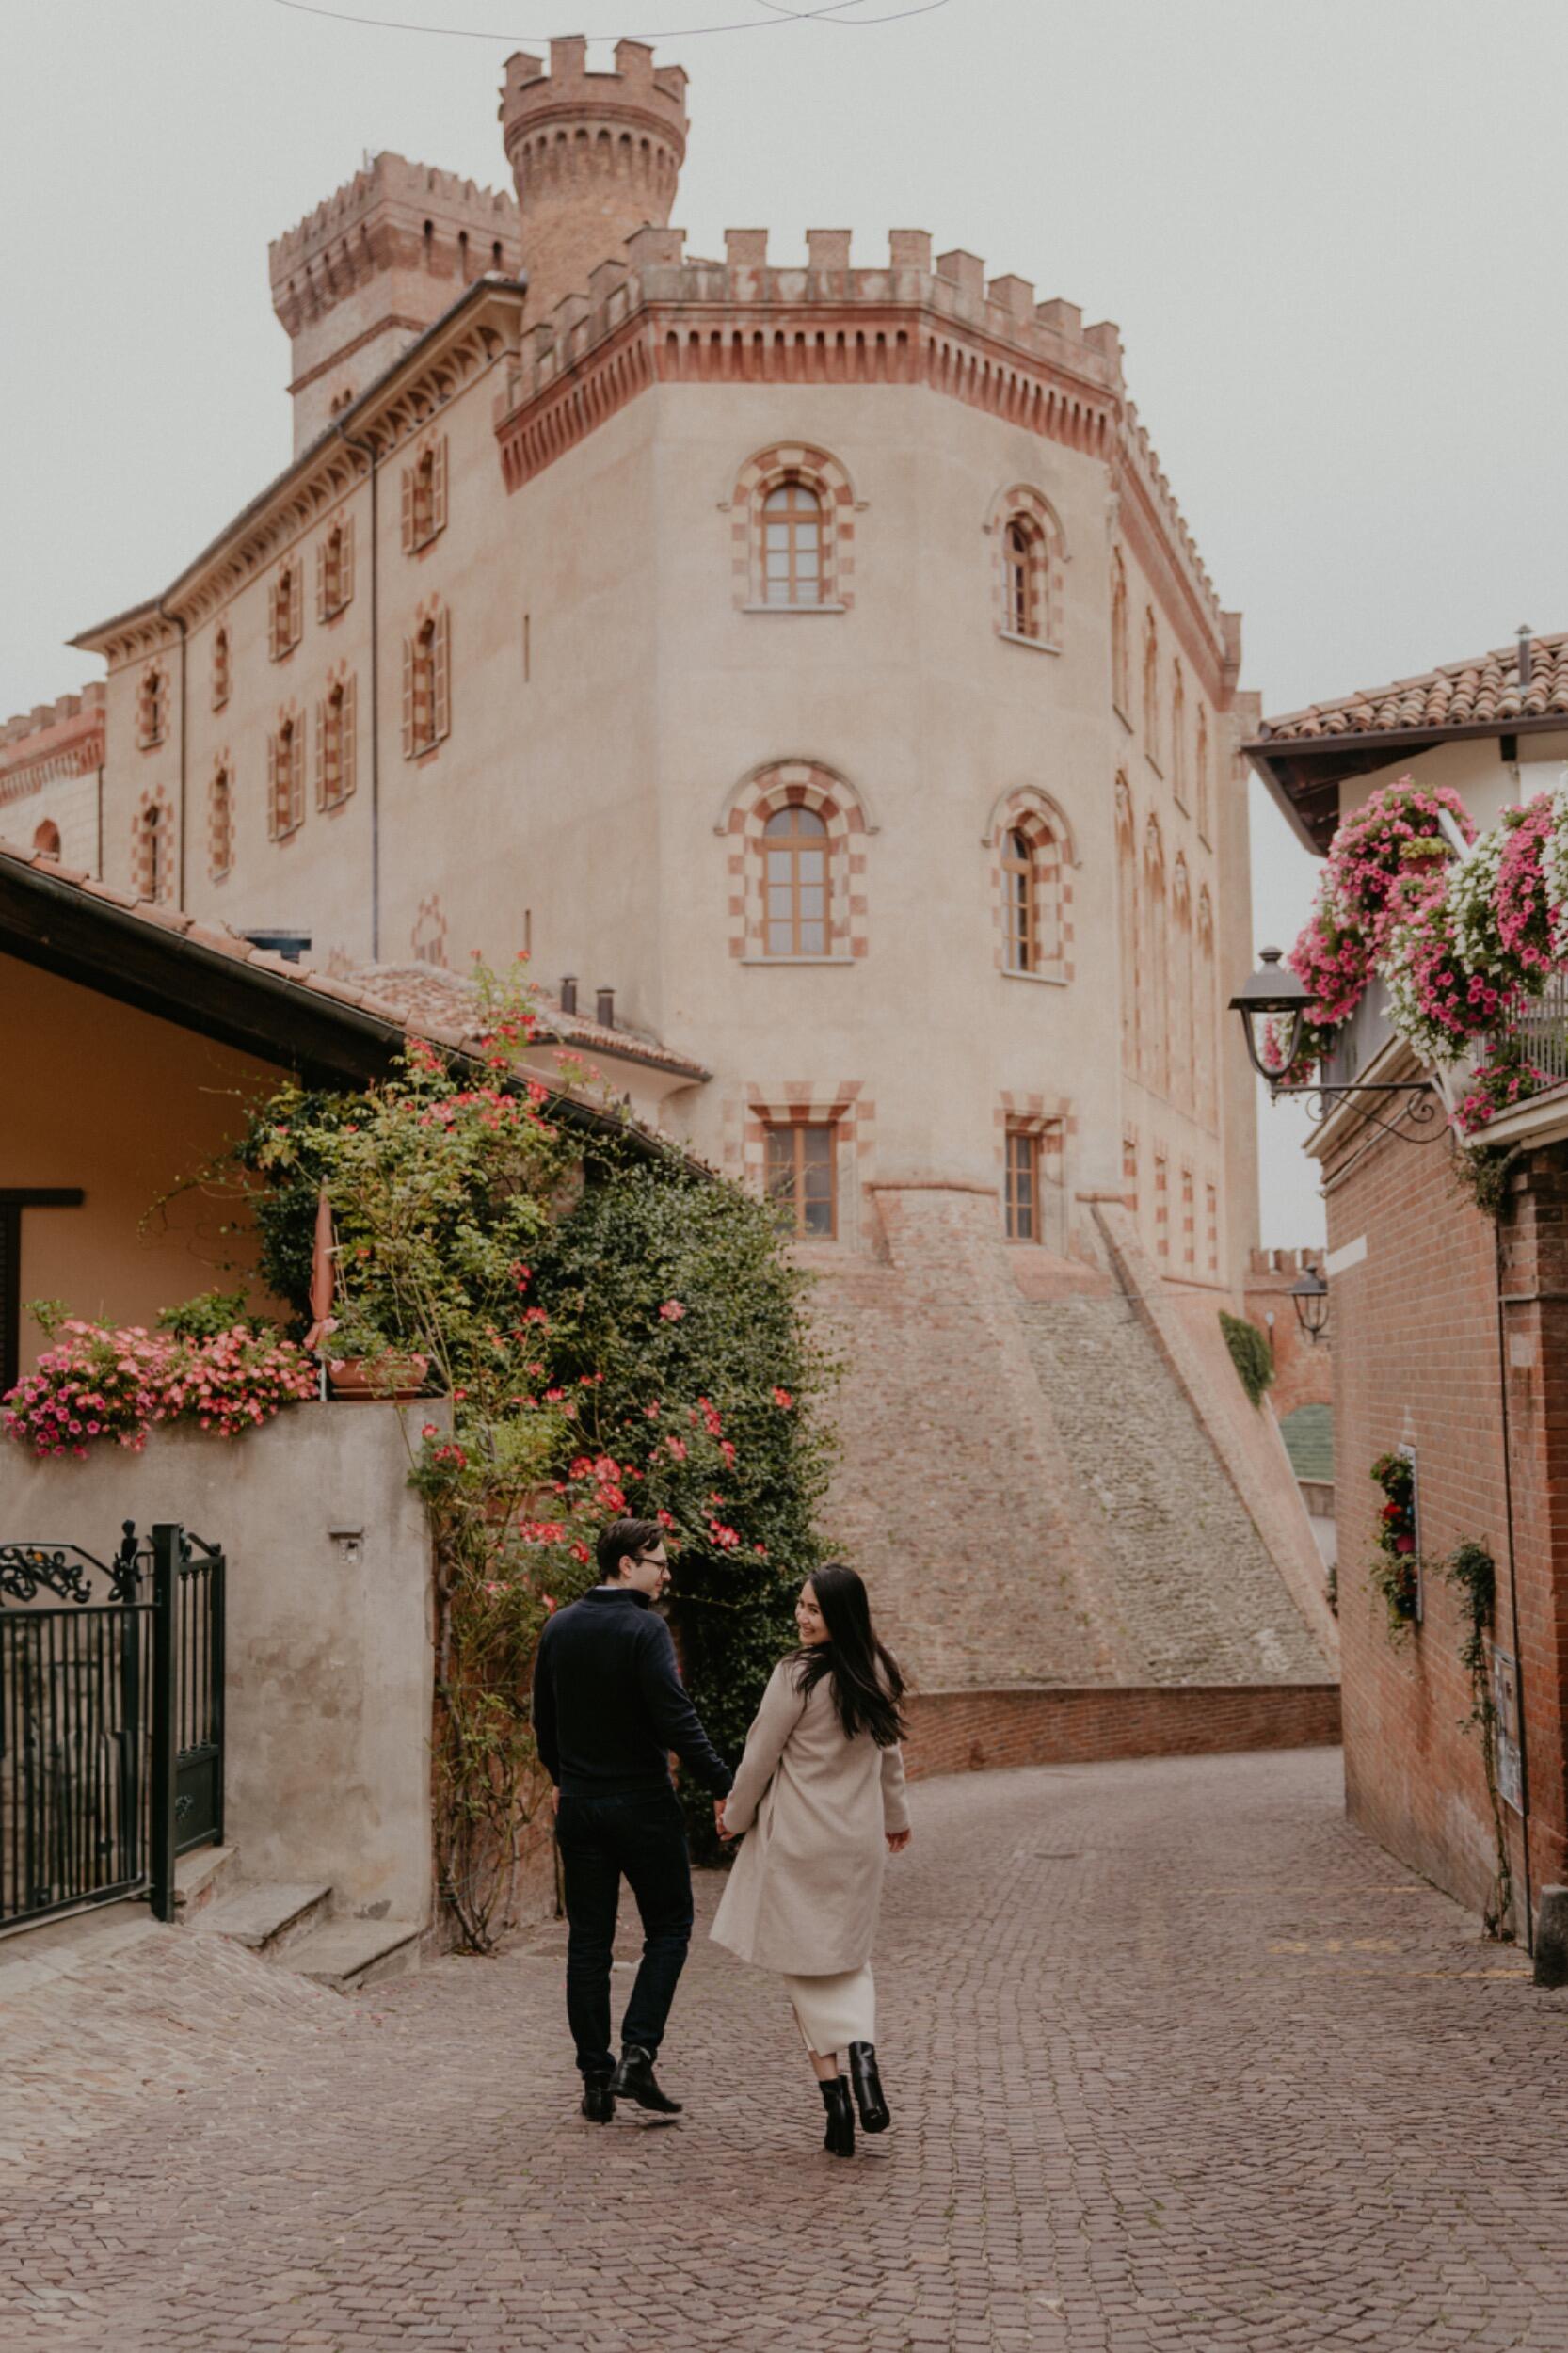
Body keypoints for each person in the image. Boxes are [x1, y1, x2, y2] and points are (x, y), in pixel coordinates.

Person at [531, 1517, 733, 2122]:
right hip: (644, 1804)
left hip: (582, 1807)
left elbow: (545, 1723)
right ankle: (638, 2054)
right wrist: (726, 1783)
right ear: (626, 1565)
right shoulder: (646, 1629)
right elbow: (677, 1719)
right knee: (670, 1927)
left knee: (587, 1944)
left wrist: (566, 1781)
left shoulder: (559, 1627)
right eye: (657, 1562)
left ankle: (596, 2081)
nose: (665, 1572)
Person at [712, 1562, 911, 2158]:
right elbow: (889, 1756)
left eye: (814, 1609)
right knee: (850, 1957)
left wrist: (734, 1818)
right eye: (800, 1605)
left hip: (797, 1842)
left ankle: (838, 2104)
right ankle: (865, 2060)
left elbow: (759, 1757)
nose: (801, 1616)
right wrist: (895, 1818)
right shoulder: (876, 1669)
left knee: (802, 1966)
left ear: (838, 1615)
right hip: (854, 1843)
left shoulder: (794, 1675)